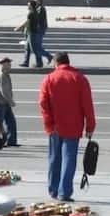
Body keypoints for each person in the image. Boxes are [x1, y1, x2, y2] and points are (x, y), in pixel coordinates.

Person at [38, 53, 95, 202]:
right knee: (69, 159)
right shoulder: (80, 79)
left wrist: (49, 123)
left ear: (56, 63)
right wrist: (90, 126)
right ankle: (64, 192)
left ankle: (53, 189)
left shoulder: (49, 79)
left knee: (54, 158)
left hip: (55, 126)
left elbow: (43, 104)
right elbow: (87, 105)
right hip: (74, 126)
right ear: (68, 62)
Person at [14, 0, 54, 68]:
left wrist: (20, 27)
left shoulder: (39, 9)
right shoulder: (35, 10)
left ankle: (46, 58)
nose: (34, 1)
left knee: (36, 49)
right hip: (32, 31)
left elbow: (31, 21)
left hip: (36, 32)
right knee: (28, 48)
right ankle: (26, 62)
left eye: (35, 0)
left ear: (38, 1)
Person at [0, 57, 21, 148]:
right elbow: (4, 91)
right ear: (3, 64)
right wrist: (11, 101)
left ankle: (11, 141)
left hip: (5, 103)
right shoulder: (1, 75)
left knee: (11, 122)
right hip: (1, 103)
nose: (10, 66)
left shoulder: (5, 74)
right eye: (8, 64)